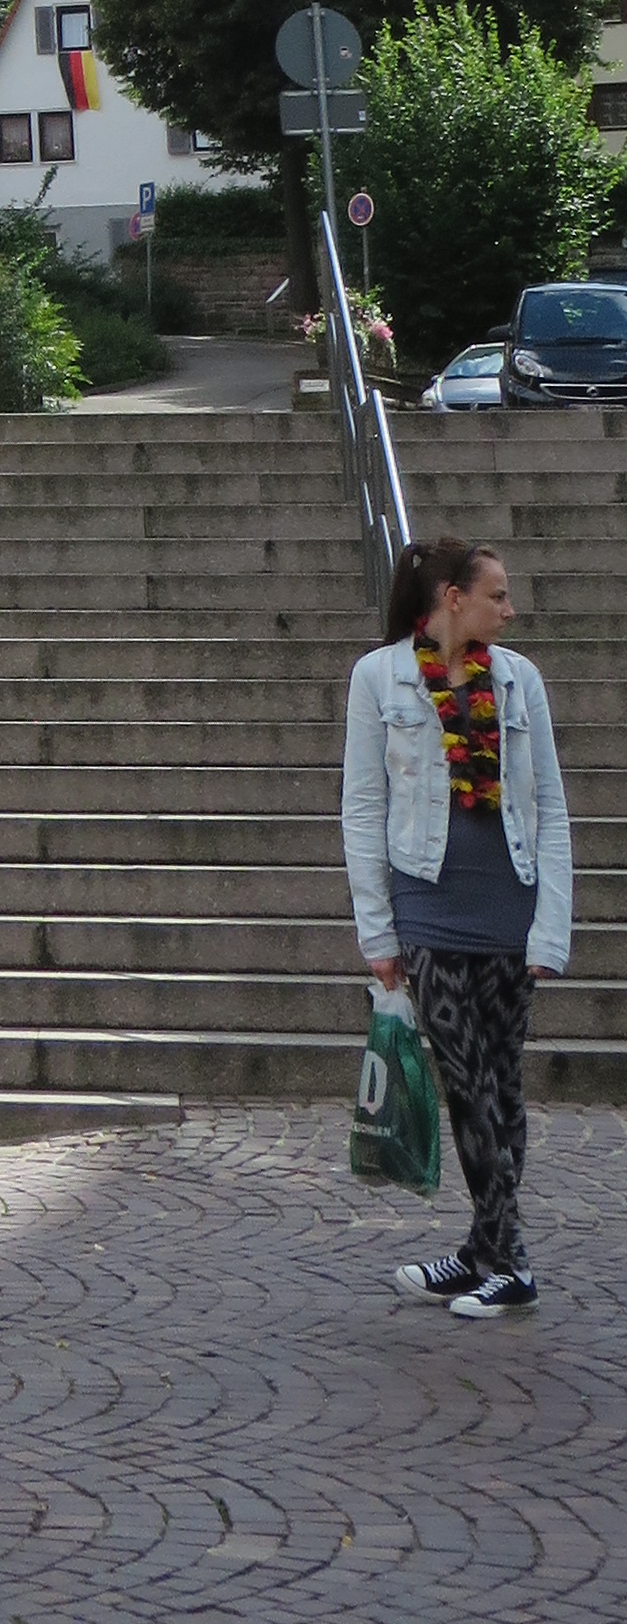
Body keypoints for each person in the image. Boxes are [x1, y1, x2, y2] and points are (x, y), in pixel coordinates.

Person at [342, 534, 572, 1317]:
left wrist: (551, 928)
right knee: (467, 1083)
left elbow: (549, 807)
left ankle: (484, 1253)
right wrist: (377, 931)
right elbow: (362, 807)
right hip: (428, 908)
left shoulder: (518, 680)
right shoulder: (379, 677)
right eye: (497, 595)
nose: (510, 609)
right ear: (453, 599)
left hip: (510, 909)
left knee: (501, 1087)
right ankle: (513, 1265)